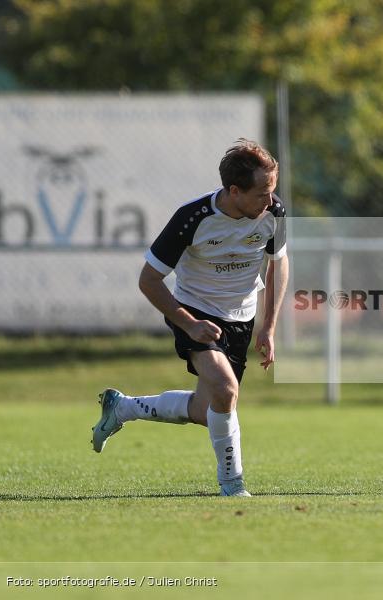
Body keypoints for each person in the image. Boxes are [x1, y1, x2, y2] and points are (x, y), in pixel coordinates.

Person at [91, 139, 289, 497]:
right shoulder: (192, 218)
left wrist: (269, 326)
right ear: (234, 191)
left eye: (272, 190)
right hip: (195, 311)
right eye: (262, 192)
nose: (270, 199)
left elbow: (279, 265)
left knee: (206, 409)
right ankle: (233, 486)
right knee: (226, 390)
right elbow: (148, 280)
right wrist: (188, 323)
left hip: (241, 319)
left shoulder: (274, 212)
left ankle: (122, 408)